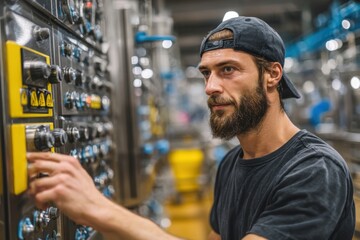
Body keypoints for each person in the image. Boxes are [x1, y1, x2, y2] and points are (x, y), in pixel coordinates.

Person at [27, 16, 355, 240]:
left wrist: (100, 210)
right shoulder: (231, 164)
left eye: (228, 69)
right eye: (206, 73)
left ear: (272, 75)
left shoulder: (314, 169)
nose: (210, 86)